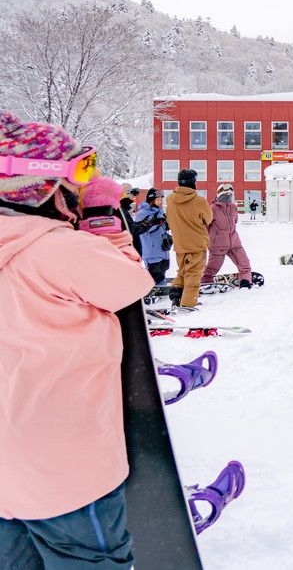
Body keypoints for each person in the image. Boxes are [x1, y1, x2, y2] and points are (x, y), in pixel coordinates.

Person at [0, 112, 153, 568]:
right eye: (80, 173)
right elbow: (130, 284)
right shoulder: (57, 249)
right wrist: (104, 220)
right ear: (43, 186)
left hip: (8, 471)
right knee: (90, 560)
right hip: (63, 469)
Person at [167, 168, 213, 310]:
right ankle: (188, 303)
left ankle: (176, 296)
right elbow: (208, 219)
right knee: (193, 274)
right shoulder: (199, 201)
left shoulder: (170, 199)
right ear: (193, 182)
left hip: (180, 243)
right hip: (197, 243)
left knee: (182, 271)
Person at [200, 183, 254, 289]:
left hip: (234, 243)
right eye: (226, 194)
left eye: (230, 194)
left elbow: (235, 222)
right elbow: (205, 227)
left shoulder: (233, 207)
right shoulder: (212, 209)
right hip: (218, 245)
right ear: (220, 194)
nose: (228, 196)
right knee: (212, 269)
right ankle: (204, 283)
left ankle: (245, 282)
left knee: (245, 264)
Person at [134, 188, 171, 285]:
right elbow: (141, 229)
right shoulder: (142, 213)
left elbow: (163, 226)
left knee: (162, 272)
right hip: (151, 249)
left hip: (162, 249)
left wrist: (167, 224)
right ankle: (150, 290)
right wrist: (155, 223)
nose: (160, 202)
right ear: (151, 200)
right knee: (154, 274)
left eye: (160, 200)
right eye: (158, 200)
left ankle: (160, 289)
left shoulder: (159, 211)